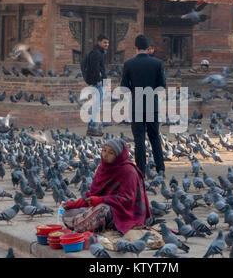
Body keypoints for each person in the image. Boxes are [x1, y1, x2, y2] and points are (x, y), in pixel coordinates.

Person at [63, 138, 151, 235]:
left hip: (122, 213)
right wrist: (75, 204)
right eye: (104, 150)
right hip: (99, 206)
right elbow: (92, 195)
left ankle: (79, 225)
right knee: (67, 214)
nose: (105, 155)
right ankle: (81, 225)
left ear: (119, 155)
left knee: (102, 210)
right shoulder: (102, 168)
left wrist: (102, 200)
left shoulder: (128, 171)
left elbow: (127, 199)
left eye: (111, 153)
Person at [121, 35, 166, 176]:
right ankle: (160, 169)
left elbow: (124, 87)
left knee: (139, 138)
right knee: (154, 137)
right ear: (148, 48)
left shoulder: (128, 64)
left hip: (136, 104)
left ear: (135, 48)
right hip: (152, 104)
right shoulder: (157, 63)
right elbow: (162, 86)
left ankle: (141, 170)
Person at [81, 34, 109, 137]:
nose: (107, 44)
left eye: (108, 42)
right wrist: (98, 81)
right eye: (105, 42)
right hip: (97, 84)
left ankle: (91, 127)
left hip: (97, 83)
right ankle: (92, 128)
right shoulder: (96, 53)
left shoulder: (99, 53)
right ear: (99, 42)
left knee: (96, 106)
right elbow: (95, 69)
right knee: (96, 107)